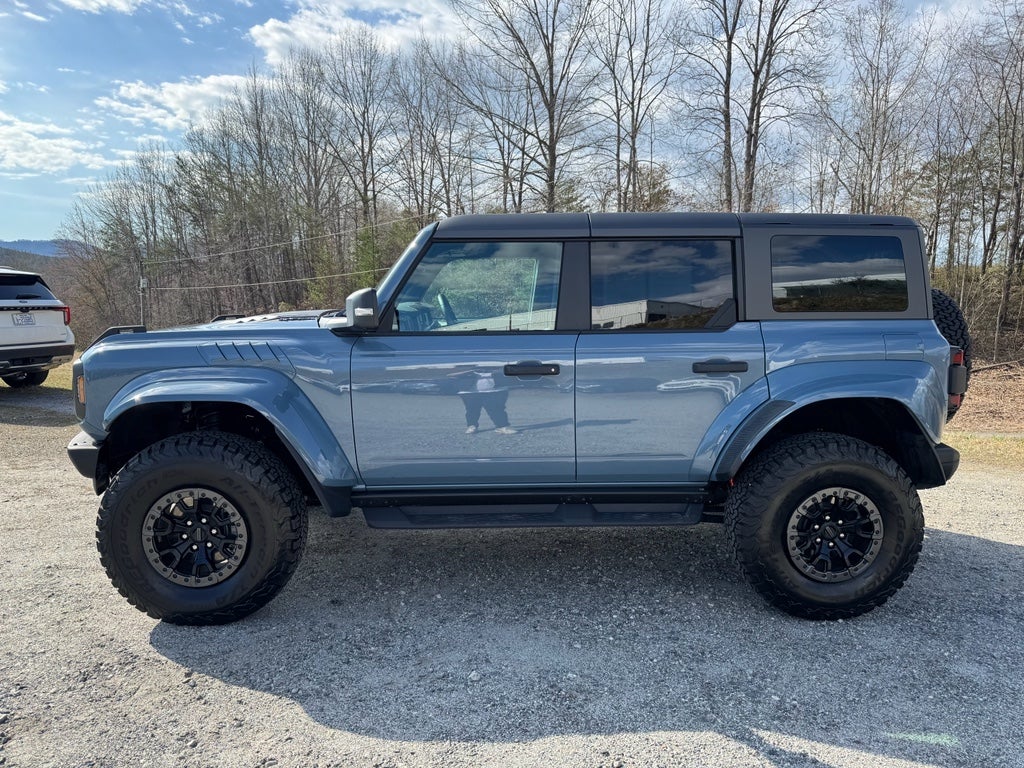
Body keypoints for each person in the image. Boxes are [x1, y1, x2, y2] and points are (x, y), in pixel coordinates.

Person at [452, 370, 517, 434]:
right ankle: (471, 425)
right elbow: (451, 374)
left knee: (497, 409)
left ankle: (502, 426)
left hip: (496, 389)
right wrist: (470, 370)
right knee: (471, 410)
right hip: (469, 391)